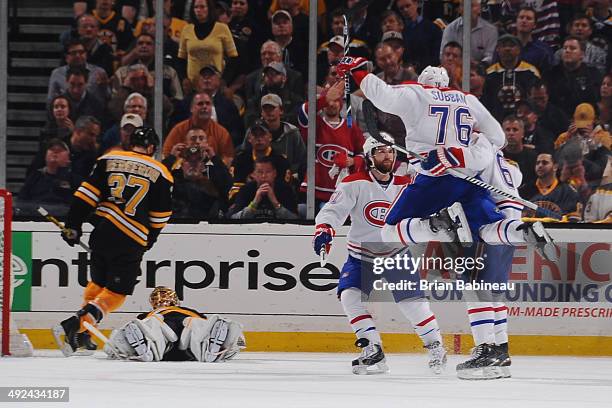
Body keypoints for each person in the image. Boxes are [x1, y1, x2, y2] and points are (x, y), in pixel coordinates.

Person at [313, 133, 447, 375]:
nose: (388, 155)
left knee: (412, 305)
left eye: (391, 150)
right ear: (369, 157)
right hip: (361, 256)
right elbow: (332, 211)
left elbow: (430, 205)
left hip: (397, 255)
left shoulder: (407, 184)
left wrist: (438, 175)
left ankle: (436, 346)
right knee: (349, 296)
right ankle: (373, 348)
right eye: (381, 151)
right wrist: (324, 229)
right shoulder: (353, 183)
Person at [52, 127, 173, 356]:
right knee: (118, 290)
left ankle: (83, 336)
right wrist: (150, 240)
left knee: (98, 283)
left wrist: (73, 225)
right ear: (151, 148)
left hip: (102, 232)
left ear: (130, 144)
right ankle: (75, 324)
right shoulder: (161, 171)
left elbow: (85, 195)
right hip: (131, 237)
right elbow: (160, 216)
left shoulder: (109, 159)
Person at [103, 286, 245, 362]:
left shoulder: (148, 315)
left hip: (169, 337)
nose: (163, 301)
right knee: (193, 323)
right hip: (185, 345)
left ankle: (148, 350)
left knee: (159, 324)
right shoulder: (191, 311)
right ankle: (208, 349)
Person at [178, 0, 238, 88]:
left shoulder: (222, 28)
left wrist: (224, 80)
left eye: (202, 7)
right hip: (193, 84)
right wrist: (184, 79)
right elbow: (181, 59)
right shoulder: (186, 29)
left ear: (209, 9)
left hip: (215, 83)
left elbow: (233, 57)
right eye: (196, 7)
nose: (198, 10)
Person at [228, 156, 298, 220]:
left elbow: (295, 219)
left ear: (274, 173)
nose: (264, 176)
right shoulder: (246, 189)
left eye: (268, 172)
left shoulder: (285, 190)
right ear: (254, 175)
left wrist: (276, 203)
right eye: (260, 172)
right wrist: (254, 203)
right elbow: (234, 218)